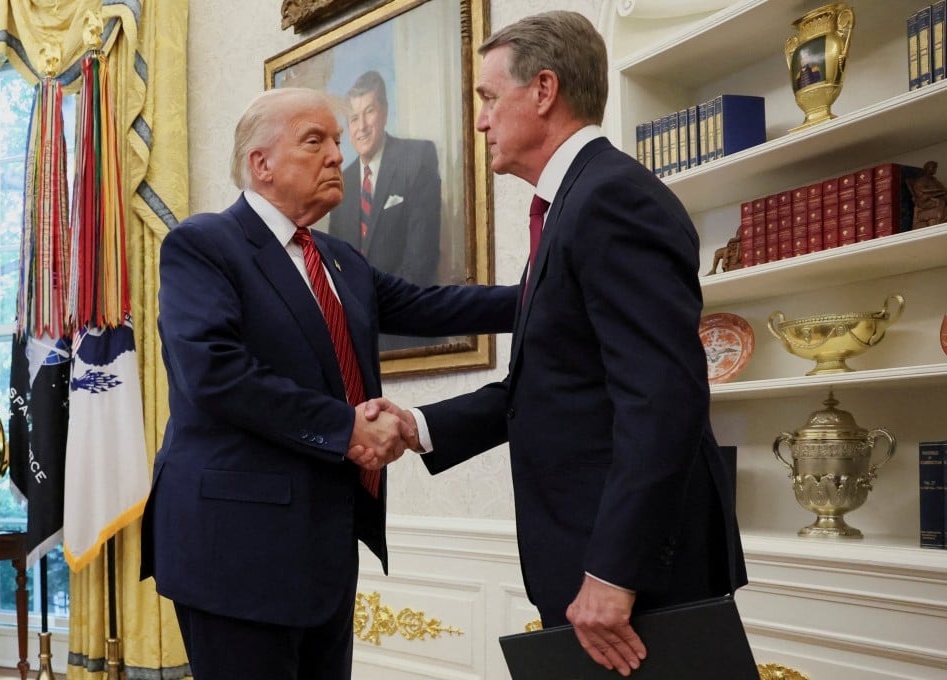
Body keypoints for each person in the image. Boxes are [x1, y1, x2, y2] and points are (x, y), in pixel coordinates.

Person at [361, 11, 747, 677]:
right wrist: (420, 425)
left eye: (487, 98)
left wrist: (613, 572)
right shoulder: (573, 202)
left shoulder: (611, 199)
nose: (480, 121)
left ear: (543, 91)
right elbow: (546, 386)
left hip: (636, 573)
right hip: (596, 558)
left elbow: (663, 398)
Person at [139, 88, 517, 679]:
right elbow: (214, 372)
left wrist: (548, 295)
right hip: (235, 552)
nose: (337, 155)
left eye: (337, 141)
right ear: (260, 164)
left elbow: (435, 306)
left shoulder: (341, 259)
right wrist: (346, 428)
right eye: (314, 140)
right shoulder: (204, 244)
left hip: (325, 547)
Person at [328, 70, 443, 351]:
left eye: (369, 112)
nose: (362, 126)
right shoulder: (341, 183)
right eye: (354, 118)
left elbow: (421, 258)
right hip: (358, 341)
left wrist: (373, 312)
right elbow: (336, 269)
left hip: (409, 331)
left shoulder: (417, 158)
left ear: (385, 112)